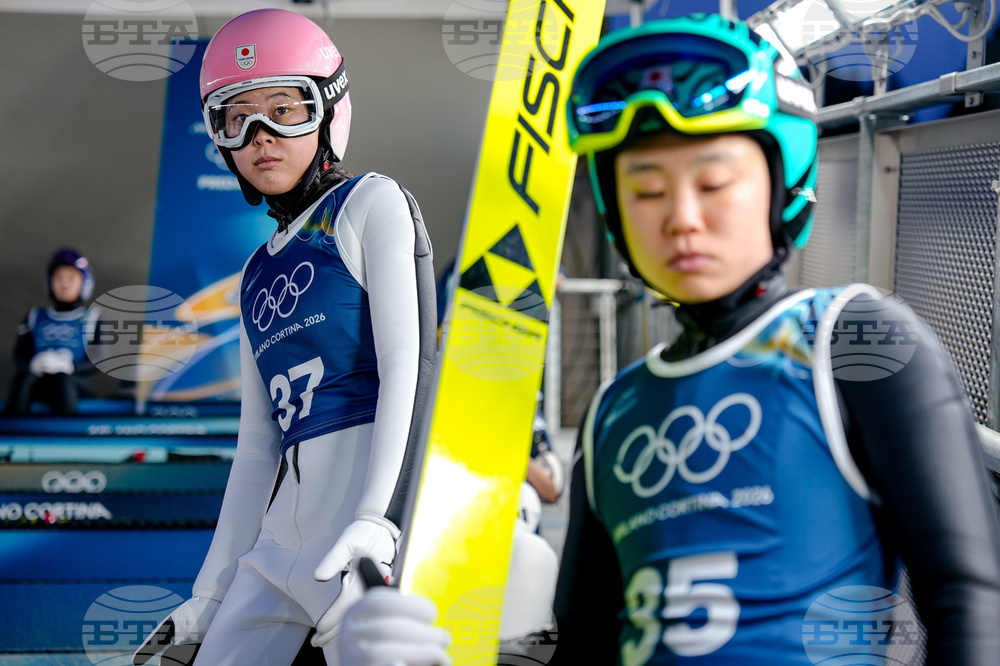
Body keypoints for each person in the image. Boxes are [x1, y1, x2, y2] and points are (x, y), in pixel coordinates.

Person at [334, 14, 1000, 666]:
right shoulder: (614, 411)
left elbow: (971, 600)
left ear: (781, 186)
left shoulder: (851, 340)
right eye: (647, 191)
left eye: (714, 183)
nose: (681, 219)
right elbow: (586, 640)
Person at [136, 8, 436, 665]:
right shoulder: (251, 274)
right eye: (236, 118)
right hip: (276, 552)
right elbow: (256, 450)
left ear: (330, 112)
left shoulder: (369, 204)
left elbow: (409, 368)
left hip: (360, 537)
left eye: (285, 108)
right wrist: (208, 598)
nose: (261, 136)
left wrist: (379, 521)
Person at [5, 248, 99, 415]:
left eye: (71, 278)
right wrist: (32, 365)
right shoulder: (34, 316)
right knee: (23, 379)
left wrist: (70, 367)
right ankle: (13, 430)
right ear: (49, 281)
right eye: (59, 278)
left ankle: (65, 434)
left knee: (63, 381)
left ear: (84, 283)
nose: (64, 284)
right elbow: (19, 356)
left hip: (73, 384)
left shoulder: (93, 318)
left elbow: (99, 361)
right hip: (39, 381)